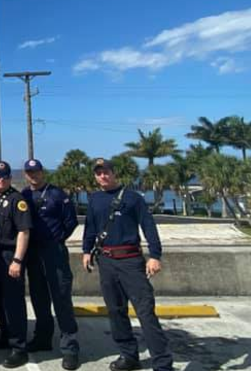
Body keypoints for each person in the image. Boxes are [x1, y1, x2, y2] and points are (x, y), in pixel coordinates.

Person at [82, 158, 173, 371]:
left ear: (114, 173)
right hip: (106, 261)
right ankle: (128, 355)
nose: (102, 176)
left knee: (145, 312)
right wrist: (86, 251)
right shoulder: (94, 199)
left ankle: (162, 363)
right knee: (115, 311)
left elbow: (148, 226)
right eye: (98, 173)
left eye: (106, 172)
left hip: (131, 261)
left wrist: (155, 255)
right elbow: (91, 228)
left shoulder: (133, 198)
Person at [22, 158, 81, 370]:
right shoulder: (24, 195)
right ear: (25, 175)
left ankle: (70, 347)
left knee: (61, 298)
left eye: (36, 171)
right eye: (29, 172)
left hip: (53, 252)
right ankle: (42, 338)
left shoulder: (57, 194)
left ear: (42, 172)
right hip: (33, 253)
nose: (33, 175)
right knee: (39, 298)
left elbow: (71, 221)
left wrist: (57, 239)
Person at [0, 161, 33, 369]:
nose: (0, 179)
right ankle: (6, 335)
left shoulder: (17, 200)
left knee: (13, 302)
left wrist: (17, 260)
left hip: (9, 256)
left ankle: (18, 348)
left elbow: (24, 232)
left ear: (9, 178)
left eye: (4, 176)